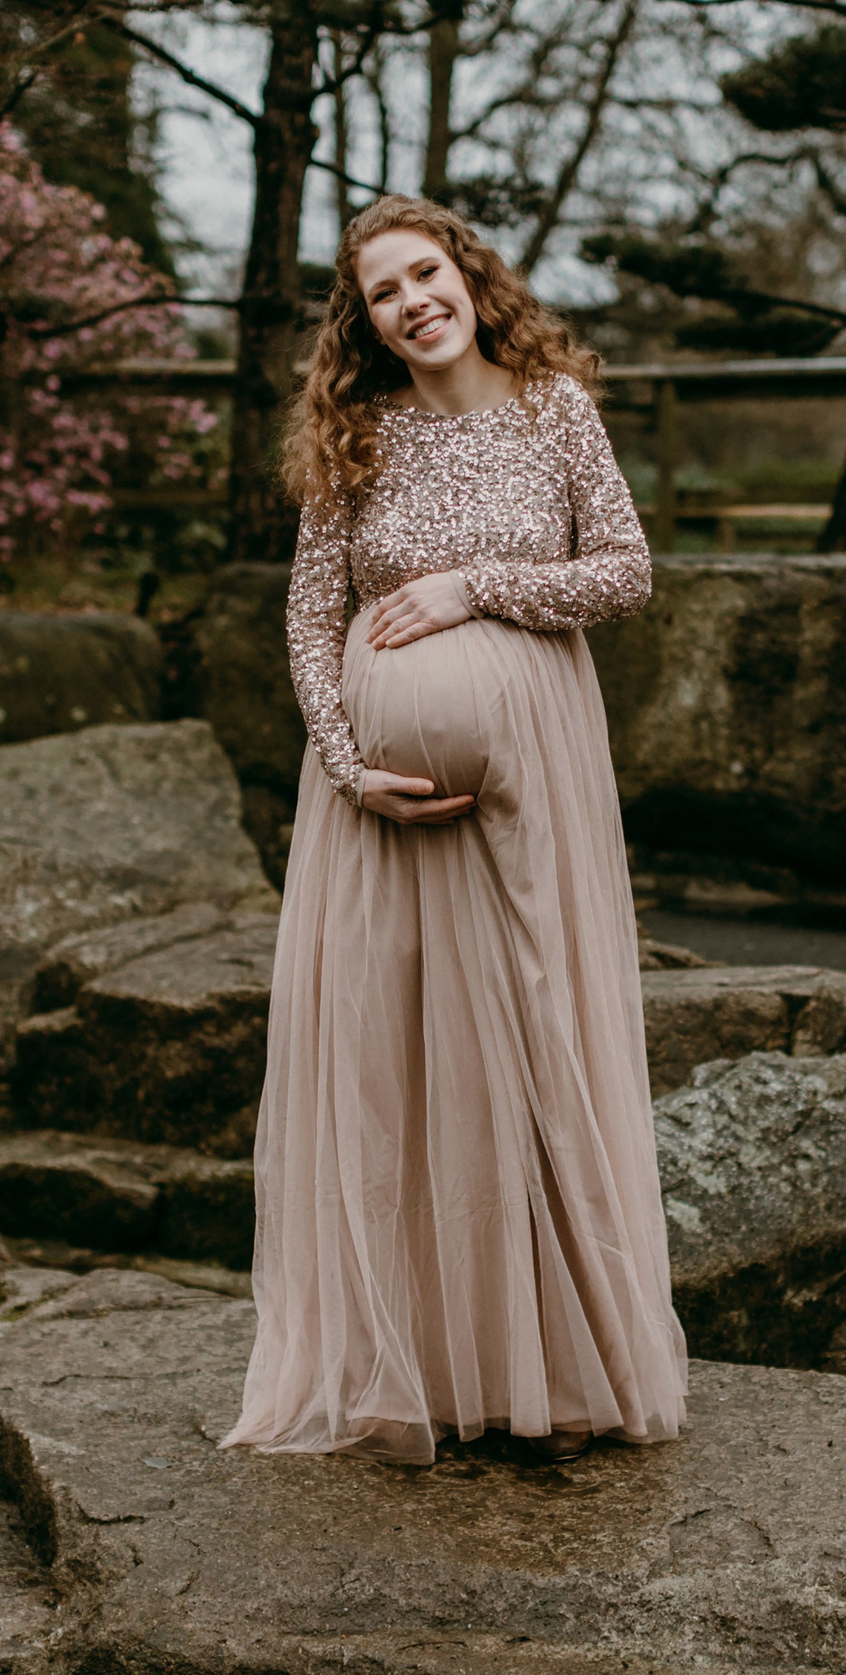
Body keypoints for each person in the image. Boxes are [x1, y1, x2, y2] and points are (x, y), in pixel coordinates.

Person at [220, 195, 690, 1465]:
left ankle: (561, 1368)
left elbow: (625, 573)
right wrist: (343, 758)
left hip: (536, 788)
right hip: (375, 815)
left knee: (537, 1042)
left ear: (470, 280)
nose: (413, 301)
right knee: (398, 1062)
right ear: (362, 322)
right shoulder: (353, 438)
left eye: (427, 274)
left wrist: (471, 587)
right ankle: (412, 1369)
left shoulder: (555, 413)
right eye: (383, 292)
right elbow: (311, 616)